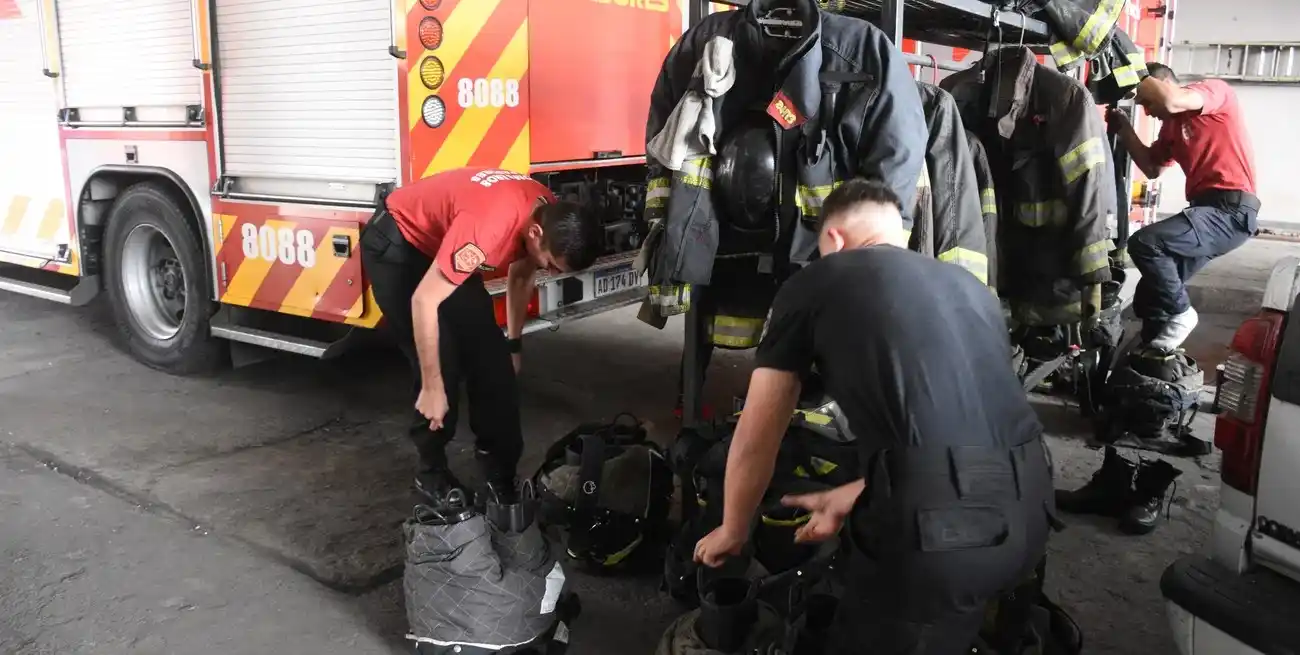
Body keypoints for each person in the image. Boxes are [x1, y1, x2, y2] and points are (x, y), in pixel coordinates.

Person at [693, 178, 1054, 654]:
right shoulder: (972, 289)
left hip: (940, 540)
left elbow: (759, 431)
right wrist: (852, 494)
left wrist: (734, 528)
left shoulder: (817, 281)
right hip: (1034, 508)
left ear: (834, 239)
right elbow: (959, 430)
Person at [359, 167, 604, 505]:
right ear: (535, 234)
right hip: (399, 245)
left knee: (493, 362)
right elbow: (424, 300)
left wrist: (514, 345)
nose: (551, 272)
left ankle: (499, 472)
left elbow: (521, 276)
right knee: (441, 364)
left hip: (444, 242)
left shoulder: (548, 211)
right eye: (552, 264)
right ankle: (430, 473)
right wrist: (432, 388)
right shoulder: (488, 227)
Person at [1108, 63, 1260, 351]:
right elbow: (1152, 167)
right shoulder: (1171, 130)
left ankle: (1182, 315)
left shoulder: (1214, 92)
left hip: (1230, 212)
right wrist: (1124, 129)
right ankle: (1153, 368)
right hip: (1207, 210)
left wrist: (1130, 71)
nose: (1149, 111)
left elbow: (1171, 100)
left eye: (1147, 102)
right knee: (1151, 297)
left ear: (1163, 83)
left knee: (1146, 243)